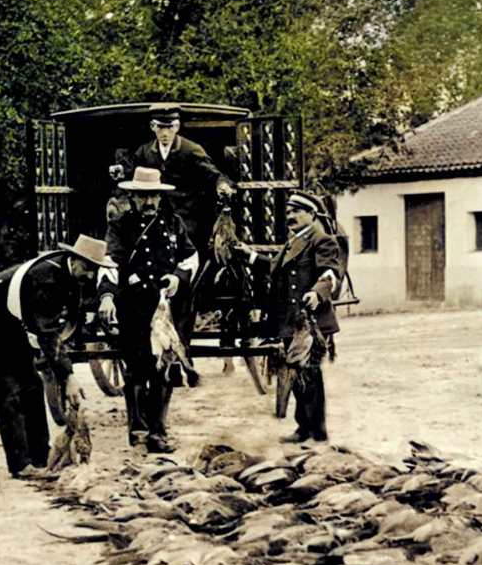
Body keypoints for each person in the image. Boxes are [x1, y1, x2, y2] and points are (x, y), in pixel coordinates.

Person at [0, 235, 114, 478]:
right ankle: (20, 464)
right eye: (87, 268)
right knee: (8, 388)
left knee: (32, 384)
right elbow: (48, 334)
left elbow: (63, 321)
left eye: (94, 270)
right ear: (74, 259)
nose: (90, 275)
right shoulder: (47, 279)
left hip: (16, 316)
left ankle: (40, 456)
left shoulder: (69, 273)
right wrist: (68, 376)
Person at [98, 167, 198, 453]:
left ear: (160, 196)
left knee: (165, 368)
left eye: (153, 195)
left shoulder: (174, 223)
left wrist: (177, 277)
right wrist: (107, 297)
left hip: (167, 307)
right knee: (136, 368)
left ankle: (158, 431)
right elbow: (109, 261)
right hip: (134, 305)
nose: (149, 201)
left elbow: (191, 256)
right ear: (132, 197)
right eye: (143, 196)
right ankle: (138, 431)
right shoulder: (121, 226)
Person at [235, 190, 342, 443]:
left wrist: (317, 293)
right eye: (289, 211)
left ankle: (316, 431)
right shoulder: (294, 241)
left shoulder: (322, 240)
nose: (290, 216)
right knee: (297, 374)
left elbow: (330, 273)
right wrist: (249, 255)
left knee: (309, 374)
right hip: (290, 321)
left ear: (311, 214)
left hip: (309, 322)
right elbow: (275, 267)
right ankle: (305, 427)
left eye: (297, 211)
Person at [111, 109, 236, 251]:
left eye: (170, 127)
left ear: (177, 127)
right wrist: (120, 170)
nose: (165, 133)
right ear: (152, 127)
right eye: (160, 127)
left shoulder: (191, 149)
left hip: (187, 220)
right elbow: (132, 170)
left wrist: (222, 184)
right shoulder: (145, 151)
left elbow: (213, 174)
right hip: (157, 218)